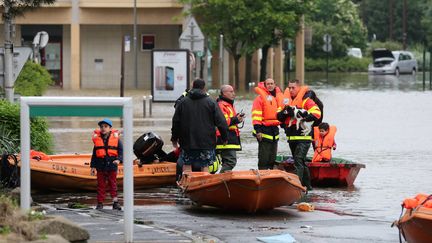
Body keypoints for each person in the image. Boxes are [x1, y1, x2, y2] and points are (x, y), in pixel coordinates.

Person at [171, 78, 228, 173]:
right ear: (204, 88)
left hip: (187, 141)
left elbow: (176, 122)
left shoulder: (183, 102)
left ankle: (188, 184)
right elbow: (221, 122)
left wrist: (174, 138)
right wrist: (225, 137)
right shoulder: (211, 102)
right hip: (206, 142)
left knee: (187, 164)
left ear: (192, 87)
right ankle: (204, 184)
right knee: (205, 165)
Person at [277, 79, 322, 191]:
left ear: (298, 88)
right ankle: (308, 187)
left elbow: (317, 113)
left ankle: (296, 188)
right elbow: (278, 116)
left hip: (304, 137)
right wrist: (285, 113)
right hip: (291, 137)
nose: (291, 90)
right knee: (301, 162)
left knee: (298, 161)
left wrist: (302, 115)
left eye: (293, 88)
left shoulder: (305, 100)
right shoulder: (285, 101)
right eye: (289, 88)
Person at [90, 118, 123, 210]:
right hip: (100, 166)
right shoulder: (97, 140)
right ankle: (100, 203)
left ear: (110, 128)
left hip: (112, 165)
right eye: (101, 127)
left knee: (113, 185)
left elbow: (121, 152)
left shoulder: (117, 140)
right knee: (101, 185)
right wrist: (92, 166)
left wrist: (119, 160)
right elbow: (94, 154)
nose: (103, 128)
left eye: (105, 126)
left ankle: (115, 202)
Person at [251, 78, 284, 170]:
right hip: (263, 131)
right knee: (264, 157)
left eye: (272, 84)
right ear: (265, 86)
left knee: (272, 157)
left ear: (275, 85)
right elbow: (256, 116)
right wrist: (258, 131)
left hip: (274, 131)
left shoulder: (276, 97)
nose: (270, 85)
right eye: (268, 84)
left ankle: (270, 176)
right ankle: (262, 174)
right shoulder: (259, 99)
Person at [215, 85, 244, 172]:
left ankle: (223, 180)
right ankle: (221, 180)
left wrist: (237, 119)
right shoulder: (221, 105)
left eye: (233, 91)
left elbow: (229, 120)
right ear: (224, 93)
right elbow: (222, 122)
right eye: (230, 92)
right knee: (230, 161)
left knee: (227, 161)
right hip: (224, 137)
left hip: (230, 136)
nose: (233, 94)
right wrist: (235, 119)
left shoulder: (228, 104)